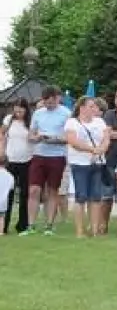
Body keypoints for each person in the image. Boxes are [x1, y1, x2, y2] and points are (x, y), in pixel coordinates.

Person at [64, 95, 110, 238]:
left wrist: (102, 148)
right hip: (79, 163)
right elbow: (73, 141)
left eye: (95, 106)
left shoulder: (100, 122)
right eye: (91, 106)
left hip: (97, 162)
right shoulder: (72, 122)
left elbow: (106, 138)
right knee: (81, 196)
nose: (94, 109)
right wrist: (92, 149)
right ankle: (80, 231)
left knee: (96, 196)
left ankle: (94, 230)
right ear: (82, 108)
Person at [28, 86, 71, 235]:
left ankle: (49, 225)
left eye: (51, 102)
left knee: (53, 190)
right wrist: (37, 138)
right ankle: (31, 225)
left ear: (57, 98)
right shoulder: (38, 113)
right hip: (39, 154)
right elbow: (30, 136)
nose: (49, 105)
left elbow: (68, 138)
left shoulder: (66, 114)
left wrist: (54, 139)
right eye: (46, 102)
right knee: (34, 189)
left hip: (57, 156)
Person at [3, 99, 33, 235]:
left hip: (27, 160)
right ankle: (4, 224)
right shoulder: (9, 120)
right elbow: (2, 134)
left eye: (21, 110)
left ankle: (23, 224)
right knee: (7, 193)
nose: (18, 113)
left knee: (24, 194)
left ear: (26, 110)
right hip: (10, 160)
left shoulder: (31, 122)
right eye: (16, 110)